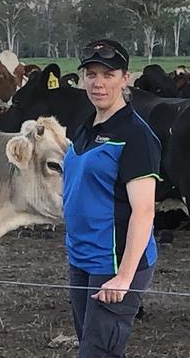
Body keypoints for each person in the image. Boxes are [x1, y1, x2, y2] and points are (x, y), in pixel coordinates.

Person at [63, 39, 161, 357]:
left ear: (125, 78)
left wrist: (124, 278)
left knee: (97, 353)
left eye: (108, 74)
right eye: (91, 74)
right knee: (93, 347)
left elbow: (144, 211)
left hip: (115, 263)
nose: (98, 83)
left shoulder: (136, 135)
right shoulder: (85, 127)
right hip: (81, 258)